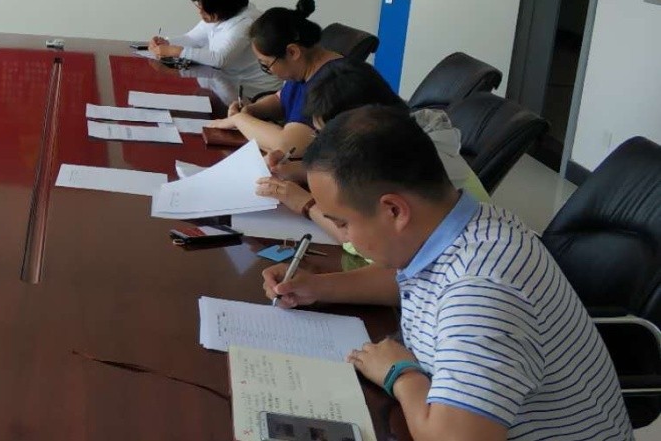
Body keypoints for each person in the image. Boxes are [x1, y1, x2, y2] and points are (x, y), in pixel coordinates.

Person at [262, 106, 631, 441]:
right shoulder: (470, 221)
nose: (343, 236)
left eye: (343, 223)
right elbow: (413, 282)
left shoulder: (481, 292)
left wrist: (401, 374)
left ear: (394, 210)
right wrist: (317, 287)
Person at [254, 60, 488, 248]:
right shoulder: (400, 136)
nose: (323, 145)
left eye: (326, 135)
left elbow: (357, 243)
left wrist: (305, 204)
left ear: (362, 124)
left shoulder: (407, 162)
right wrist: (297, 170)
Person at [208, 0, 342, 151]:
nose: (268, 70)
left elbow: (288, 145)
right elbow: (282, 98)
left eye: (266, 64)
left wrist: (239, 120)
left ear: (292, 52)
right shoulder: (306, 66)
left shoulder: (332, 82)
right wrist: (252, 110)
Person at [146, 0, 282, 94]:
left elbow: (219, 59)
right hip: (225, 85)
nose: (200, 13)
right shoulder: (222, 15)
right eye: (199, 6)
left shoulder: (247, 23)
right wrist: (166, 43)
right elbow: (193, 39)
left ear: (223, 7)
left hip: (255, 93)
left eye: (204, 9)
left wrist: (175, 51)